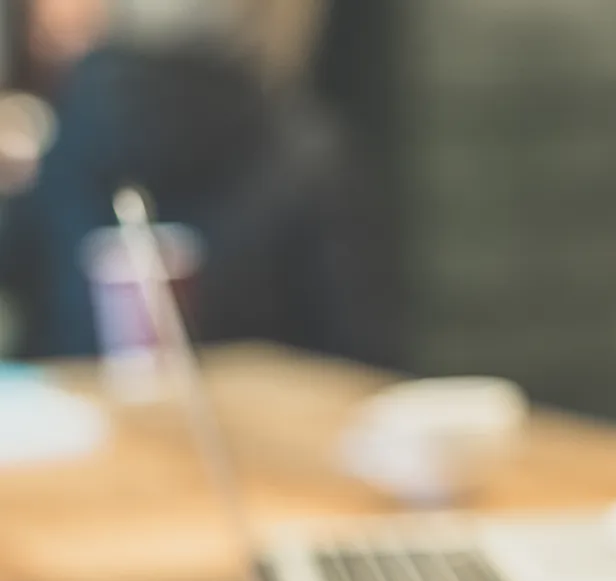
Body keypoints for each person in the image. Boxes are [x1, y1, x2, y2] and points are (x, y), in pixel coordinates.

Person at [0, 0, 401, 368]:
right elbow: (364, 355)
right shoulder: (309, 152)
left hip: (73, 429)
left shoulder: (71, 131)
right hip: (259, 432)